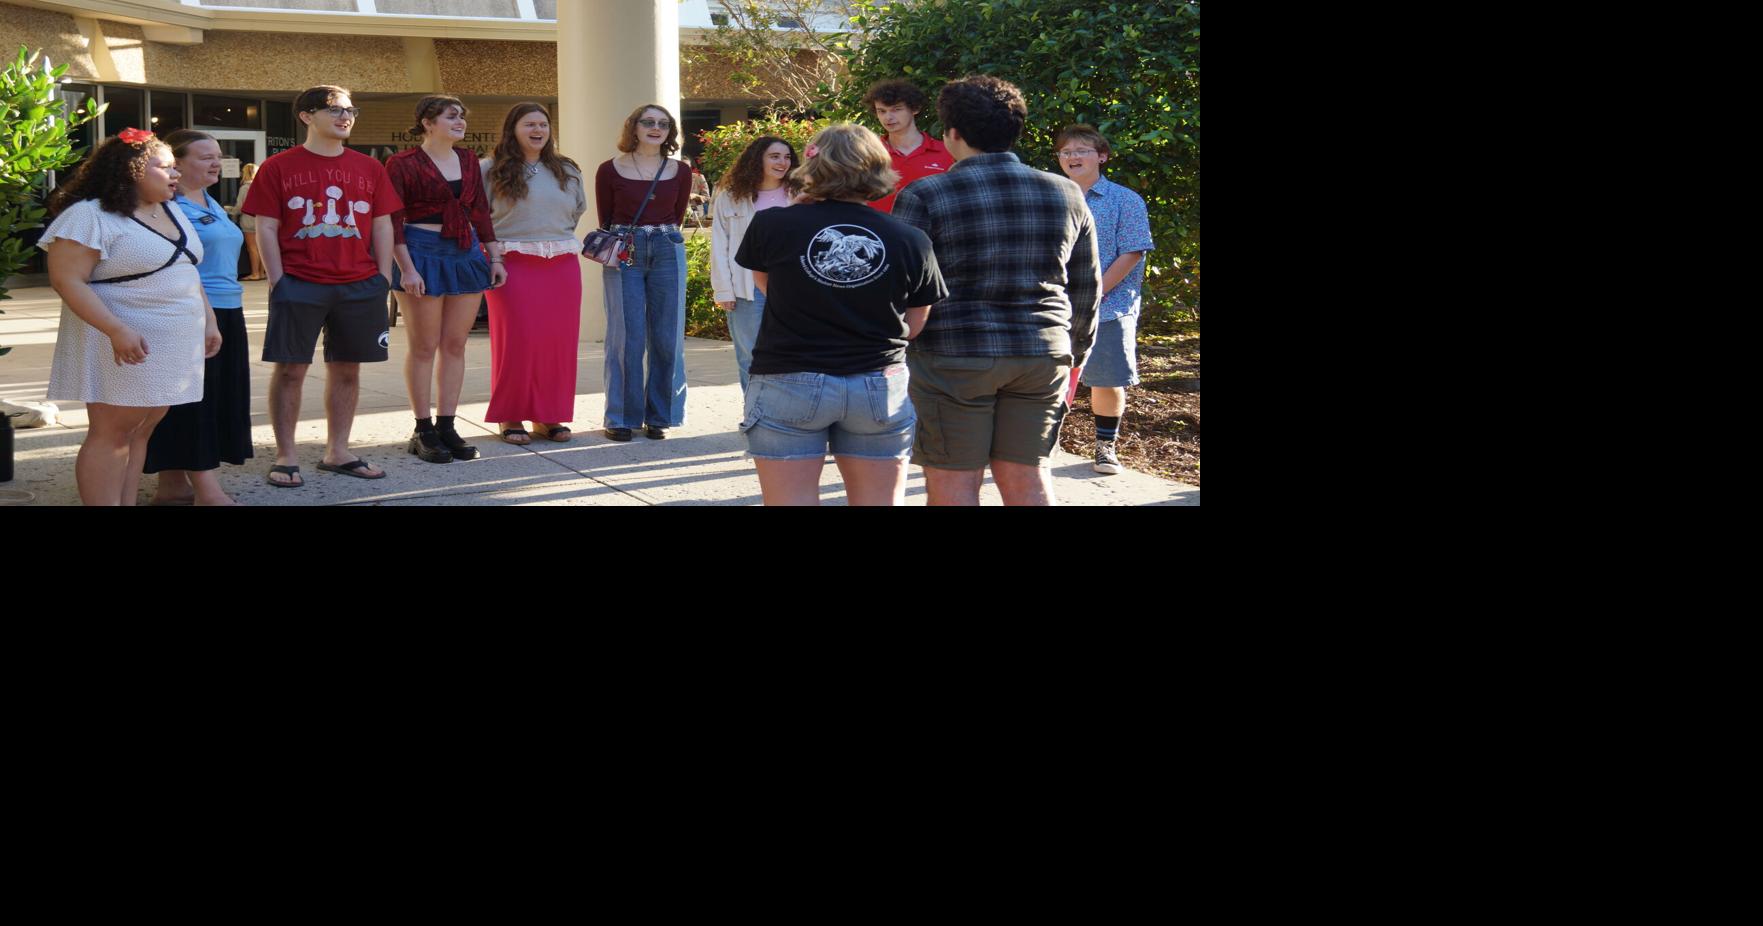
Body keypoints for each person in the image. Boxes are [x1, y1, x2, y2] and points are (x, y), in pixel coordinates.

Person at [891, 76, 1101, 506]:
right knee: (1029, 480)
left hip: (953, 354)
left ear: (952, 134)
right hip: (1042, 353)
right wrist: (1073, 351)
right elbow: (1085, 286)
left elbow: (902, 288)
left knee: (953, 484)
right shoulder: (1068, 193)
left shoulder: (924, 194)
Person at [734, 124, 946, 506]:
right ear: (877, 168)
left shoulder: (773, 224)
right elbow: (915, 324)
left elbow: (767, 285)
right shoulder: (908, 238)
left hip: (788, 381)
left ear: (813, 165)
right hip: (877, 385)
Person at [39, 130, 221, 506]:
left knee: (140, 431)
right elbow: (66, 279)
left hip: (172, 341)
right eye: (165, 167)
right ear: (131, 169)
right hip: (124, 339)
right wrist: (116, 329)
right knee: (112, 433)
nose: (175, 175)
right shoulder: (89, 215)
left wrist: (209, 319)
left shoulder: (170, 208)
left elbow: (187, 268)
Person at [242, 85, 404, 487]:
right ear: (306, 117)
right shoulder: (279, 166)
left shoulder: (370, 168)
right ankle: (286, 455)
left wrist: (382, 277)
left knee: (347, 368)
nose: (345, 116)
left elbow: (382, 223)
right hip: (300, 281)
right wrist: (278, 279)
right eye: (334, 110)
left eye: (350, 110)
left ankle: (338, 451)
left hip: (359, 283)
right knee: (291, 369)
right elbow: (266, 224)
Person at [386, 94, 504, 464]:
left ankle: (447, 425)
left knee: (455, 344)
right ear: (427, 122)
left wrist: (494, 255)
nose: (460, 122)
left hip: (465, 250)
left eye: (461, 117)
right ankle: (423, 429)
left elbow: (480, 210)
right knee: (423, 345)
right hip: (420, 251)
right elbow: (392, 219)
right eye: (451, 116)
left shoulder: (469, 160)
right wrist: (406, 267)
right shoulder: (401, 163)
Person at [143, 129, 253, 506]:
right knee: (193, 402)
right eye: (204, 156)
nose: (215, 162)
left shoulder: (211, 201)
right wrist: (206, 318)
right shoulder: (167, 207)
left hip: (229, 308)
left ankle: (173, 485)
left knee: (213, 399)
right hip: (192, 313)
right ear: (177, 162)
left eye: (217, 156)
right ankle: (207, 491)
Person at [480, 102, 586, 445]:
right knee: (518, 341)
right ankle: (510, 416)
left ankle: (548, 416)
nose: (538, 130)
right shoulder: (490, 168)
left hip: (562, 263)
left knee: (557, 343)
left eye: (543, 124)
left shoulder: (567, 169)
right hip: (510, 262)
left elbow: (576, 211)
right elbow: (479, 216)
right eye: (529, 124)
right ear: (513, 128)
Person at [1055, 124, 1153, 476]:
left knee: (1106, 379)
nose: (1072, 157)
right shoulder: (1052, 196)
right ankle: (1043, 441)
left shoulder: (1125, 200)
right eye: (1066, 152)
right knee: (1046, 377)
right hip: (1052, 304)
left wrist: (1093, 292)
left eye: (1081, 150)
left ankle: (1105, 447)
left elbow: (1133, 251)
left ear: (1102, 156)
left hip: (1109, 307)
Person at [594, 103, 693, 441]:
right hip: (625, 248)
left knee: (667, 336)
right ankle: (621, 417)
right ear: (633, 127)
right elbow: (605, 218)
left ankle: (660, 416)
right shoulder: (609, 169)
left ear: (670, 131)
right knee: (626, 336)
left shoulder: (680, 171)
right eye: (648, 122)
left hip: (667, 246)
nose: (656, 128)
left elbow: (676, 216)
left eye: (663, 123)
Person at [710, 135, 799, 395]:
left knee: (790, 353)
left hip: (791, 289)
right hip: (745, 289)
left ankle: (784, 414)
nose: (782, 162)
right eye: (774, 156)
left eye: (786, 157)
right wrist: (723, 290)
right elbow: (719, 244)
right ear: (756, 159)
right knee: (750, 356)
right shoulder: (731, 197)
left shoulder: (800, 194)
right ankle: (755, 413)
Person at [861, 79, 951, 214]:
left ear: (915, 109)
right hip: (878, 233)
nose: (888, 117)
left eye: (896, 109)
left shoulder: (946, 152)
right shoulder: (867, 153)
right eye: (882, 111)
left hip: (929, 233)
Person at [233, 162, 266, 281]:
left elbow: (240, 206)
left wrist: (230, 211)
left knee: (252, 248)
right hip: (261, 220)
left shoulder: (245, 187)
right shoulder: (262, 186)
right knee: (261, 248)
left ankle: (255, 273)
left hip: (248, 220)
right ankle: (262, 273)